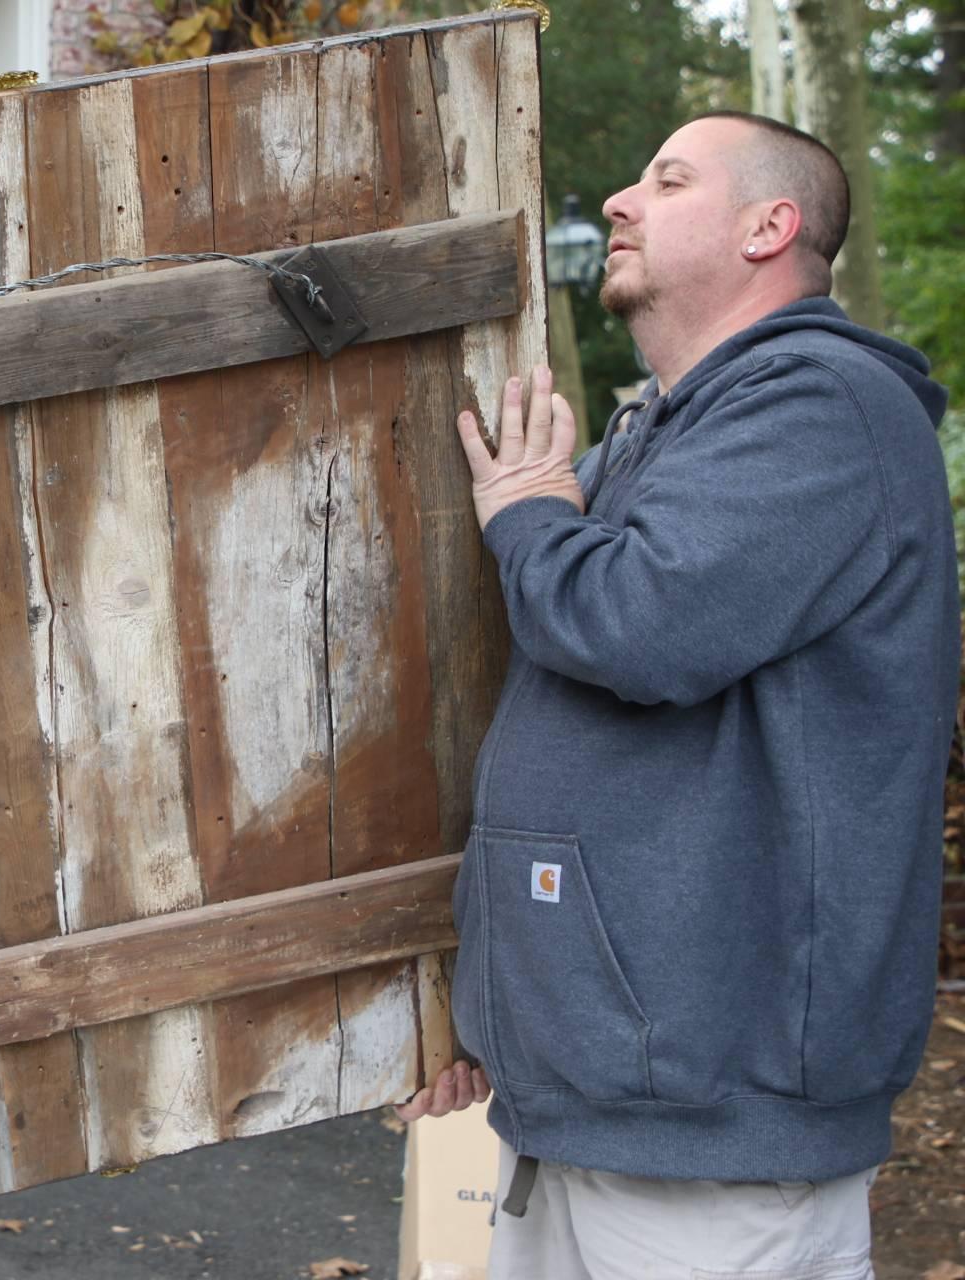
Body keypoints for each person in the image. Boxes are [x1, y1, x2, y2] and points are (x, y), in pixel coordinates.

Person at [395, 111, 957, 1277]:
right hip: (592, 1100)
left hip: (716, 1137)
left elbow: (637, 626)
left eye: (669, 178)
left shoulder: (823, 409)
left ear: (770, 226)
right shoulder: (662, 430)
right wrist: (493, 1015)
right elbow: (555, 715)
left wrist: (538, 503)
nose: (619, 201)